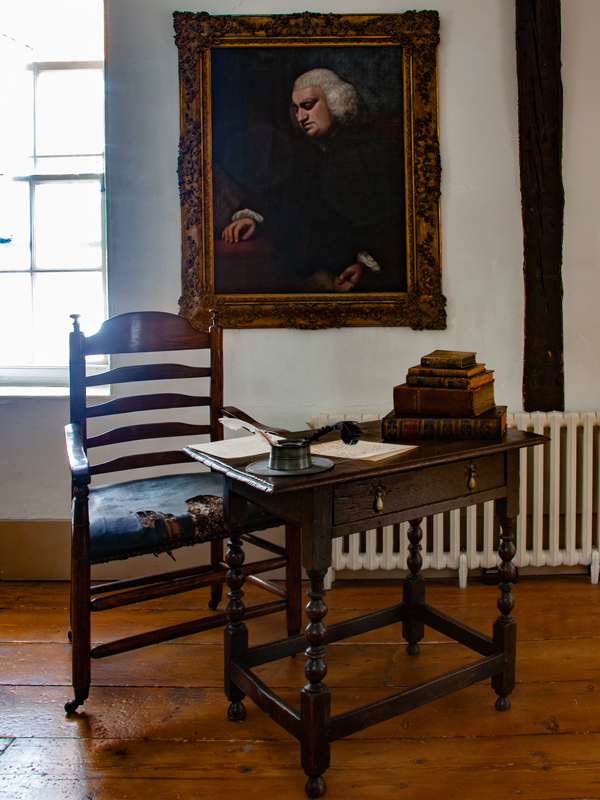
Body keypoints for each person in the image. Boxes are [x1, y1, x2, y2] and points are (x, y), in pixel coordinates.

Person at [220, 68, 405, 294]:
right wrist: (251, 215)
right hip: (304, 274)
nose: (301, 117)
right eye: (296, 109)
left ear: (335, 101)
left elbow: (395, 223)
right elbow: (276, 194)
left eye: (308, 105)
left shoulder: (374, 152)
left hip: (351, 277)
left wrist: (366, 265)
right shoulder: (304, 153)